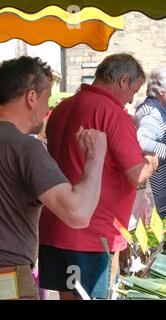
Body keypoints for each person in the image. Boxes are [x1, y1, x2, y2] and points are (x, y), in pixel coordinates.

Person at [38, 53, 158, 300]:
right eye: (133, 91)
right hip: (92, 234)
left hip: (55, 225)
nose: (130, 100)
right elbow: (136, 174)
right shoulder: (112, 113)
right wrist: (152, 162)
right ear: (123, 81)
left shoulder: (63, 107)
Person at [0, 56, 107, 300]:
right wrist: (96, 156)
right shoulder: (25, 148)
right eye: (47, 97)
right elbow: (78, 213)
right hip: (7, 279)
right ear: (31, 97)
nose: (48, 108)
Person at [134, 66, 166, 218]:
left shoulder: (160, 110)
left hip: (164, 199)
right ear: (161, 90)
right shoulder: (151, 112)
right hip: (157, 199)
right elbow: (142, 141)